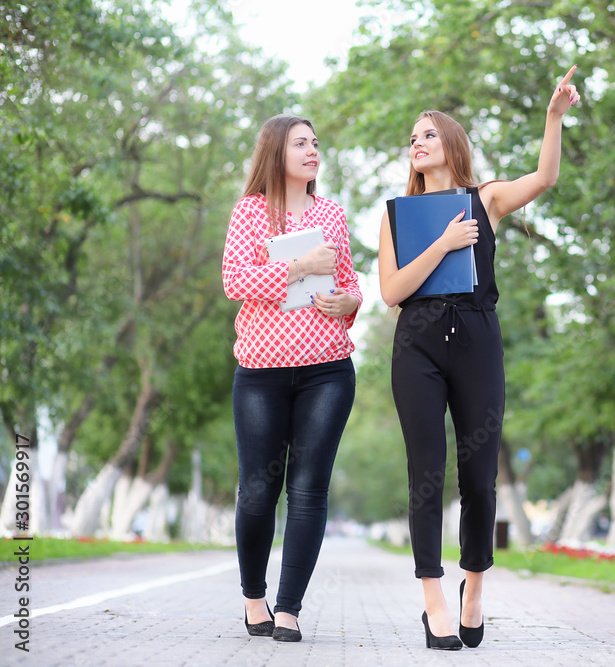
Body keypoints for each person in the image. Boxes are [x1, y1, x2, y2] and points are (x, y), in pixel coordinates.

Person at [378, 66, 580, 650]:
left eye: (428, 135)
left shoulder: (484, 200)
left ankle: (474, 587)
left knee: (478, 475)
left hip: (476, 337)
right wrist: (442, 243)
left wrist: (553, 117)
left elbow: (545, 176)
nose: (417, 143)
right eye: (412, 137)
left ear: (452, 146)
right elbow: (391, 293)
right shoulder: (396, 215)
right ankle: (432, 599)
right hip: (416, 342)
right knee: (425, 472)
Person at [222, 114, 362, 642]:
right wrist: (300, 267)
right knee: (258, 491)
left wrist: (349, 302)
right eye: (300, 143)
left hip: (328, 370)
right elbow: (236, 280)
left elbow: (350, 285)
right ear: (275, 151)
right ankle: (254, 599)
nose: (312, 151)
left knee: (308, 491)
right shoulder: (249, 212)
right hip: (261, 373)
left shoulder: (332, 213)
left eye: (316, 143)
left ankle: (288, 609)